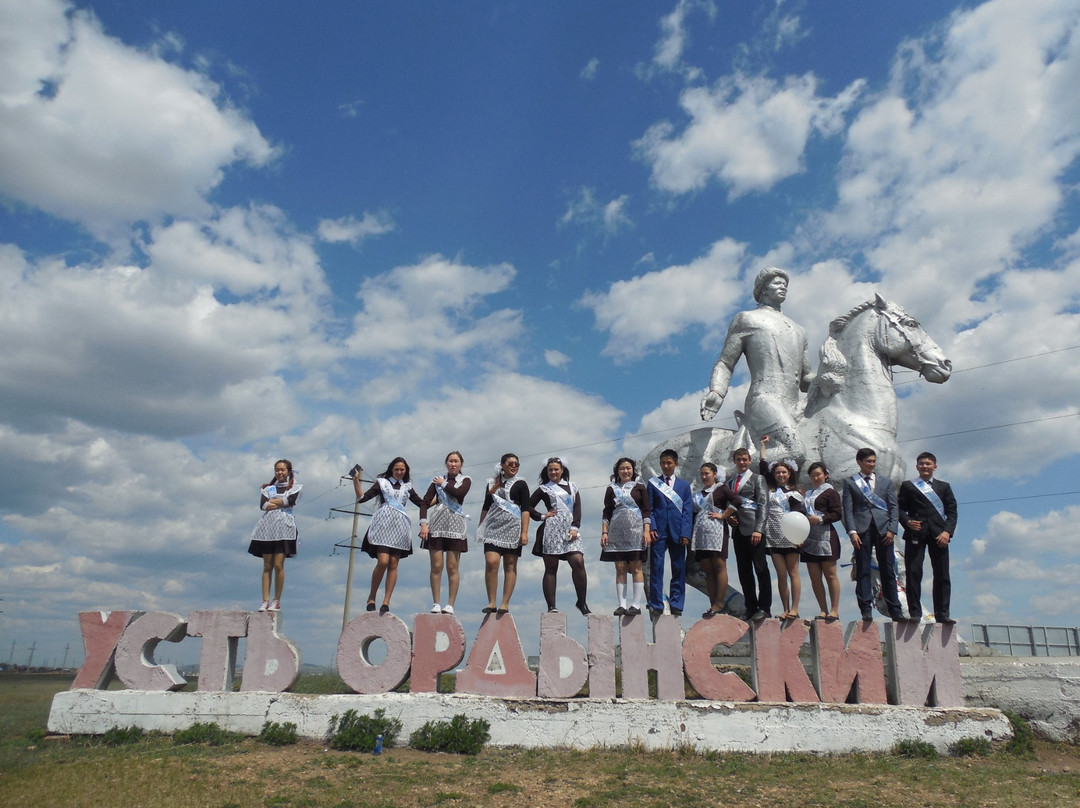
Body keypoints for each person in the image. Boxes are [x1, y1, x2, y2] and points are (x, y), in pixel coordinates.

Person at [700, 266, 814, 464]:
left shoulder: (799, 330)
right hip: (764, 399)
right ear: (762, 288)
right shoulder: (747, 319)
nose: (783, 286)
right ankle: (741, 465)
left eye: (785, 284)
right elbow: (726, 362)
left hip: (794, 403)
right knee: (796, 451)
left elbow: (805, 380)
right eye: (777, 282)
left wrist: (834, 377)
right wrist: (717, 392)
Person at [353, 457, 429, 614]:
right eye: (397, 469)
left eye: (402, 470)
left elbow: (421, 503)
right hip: (383, 525)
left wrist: (437, 494)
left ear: (406, 471)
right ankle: (372, 597)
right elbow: (362, 498)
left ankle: (386, 601)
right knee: (383, 561)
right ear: (391, 470)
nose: (399, 472)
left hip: (399, 527)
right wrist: (356, 481)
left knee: (394, 563)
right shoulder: (382, 482)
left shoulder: (407, 486)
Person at [842, 447, 905, 622]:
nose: (872, 464)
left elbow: (893, 506)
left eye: (873, 461)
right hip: (862, 530)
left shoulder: (885, 482)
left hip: (884, 529)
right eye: (868, 461)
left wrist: (892, 529)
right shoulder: (851, 483)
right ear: (859, 462)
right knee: (863, 569)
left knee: (888, 570)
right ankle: (865, 609)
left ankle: (895, 608)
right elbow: (847, 510)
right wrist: (852, 531)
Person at [898, 452, 958, 625]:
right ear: (917, 466)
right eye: (921, 464)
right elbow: (898, 509)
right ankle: (915, 612)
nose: (925, 466)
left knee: (942, 575)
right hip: (915, 534)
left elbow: (952, 512)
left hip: (939, 536)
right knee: (914, 573)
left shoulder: (944, 487)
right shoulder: (908, 486)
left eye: (928, 464)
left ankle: (942, 614)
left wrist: (947, 532)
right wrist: (908, 522)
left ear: (935, 466)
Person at [530, 457, 590, 615]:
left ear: (562, 470)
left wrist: (575, 526)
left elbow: (577, 508)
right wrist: (542, 516)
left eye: (556, 469)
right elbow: (527, 506)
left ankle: (582, 601)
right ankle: (551, 606)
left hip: (571, 530)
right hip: (551, 530)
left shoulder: (573, 486)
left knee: (578, 561)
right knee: (551, 568)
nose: (553, 472)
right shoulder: (544, 488)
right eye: (550, 470)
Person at [476, 453, 530, 615]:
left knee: (510, 564)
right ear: (502, 465)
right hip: (493, 527)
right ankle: (491, 602)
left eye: (516, 464)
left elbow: (525, 509)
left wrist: (525, 532)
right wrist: (481, 526)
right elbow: (486, 505)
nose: (514, 466)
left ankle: (504, 603)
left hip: (513, 528)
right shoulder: (492, 483)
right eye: (511, 463)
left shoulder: (521, 484)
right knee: (491, 561)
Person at [758, 436, 804, 620]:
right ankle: (785, 608)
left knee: (794, 573)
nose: (781, 475)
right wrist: (763, 446)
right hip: (774, 536)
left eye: (784, 472)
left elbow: (799, 517)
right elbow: (763, 466)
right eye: (778, 472)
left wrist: (800, 537)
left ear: (790, 474)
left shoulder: (794, 494)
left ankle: (794, 608)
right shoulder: (769, 490)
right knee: (781, 574)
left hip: (791, 537)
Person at [421, 451, 471, 615]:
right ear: (446, 463)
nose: (453, 464)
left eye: (456, 461)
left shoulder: (465, 480)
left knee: (452, 566)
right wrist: (423, 523)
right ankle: (436, 602)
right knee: (436, 566)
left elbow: (459, 494)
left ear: (461, 464)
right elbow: (425, 502)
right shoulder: (437, 481)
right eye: (450, 461)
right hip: (437, 524)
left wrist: (443, 484)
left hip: (455, 526)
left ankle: (450, 604)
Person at [248, 459, 301, 611]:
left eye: (282, 470)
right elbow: (263, 505)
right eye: (277, 470)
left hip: (284, 528)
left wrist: (276, 502)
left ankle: (276, 600)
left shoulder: (295, 487)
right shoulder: (268, 488)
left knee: (278, 565)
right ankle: (264, 600)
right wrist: (279, 502)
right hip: (267, 528)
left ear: (288, 471)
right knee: (267, 565)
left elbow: (289, 501)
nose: (279, 472)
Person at [600, 457, 651, 616]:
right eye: (622, 468)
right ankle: (622, 604)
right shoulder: (611, 488)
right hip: (616, 531)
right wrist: (604, 531)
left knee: (636, 567)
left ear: (633, 470)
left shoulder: (640, 487)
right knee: (620, 567)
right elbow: (607, 510)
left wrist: (647, 530)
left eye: (628, 468)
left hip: (636, 530)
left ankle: (636, 605)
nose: (625, 471)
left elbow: (646, 510)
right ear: (617, 471)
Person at [646, 449, 694, 617]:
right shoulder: (653, 483)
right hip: (658, 531)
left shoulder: (684, 486)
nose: (666, 466)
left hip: (678, 531)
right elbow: (649, 509)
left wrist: (686, 533)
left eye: (669, 463)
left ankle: (677, 604)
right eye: (663, 463)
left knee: (678, 567)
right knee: (656, 568)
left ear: (676, 464)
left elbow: (688, 511)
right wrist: (651, 527)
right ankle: (656, 603)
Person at [726, 446, 771, 620]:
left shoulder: (758, 479)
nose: (742, 462)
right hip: (738, 532)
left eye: (745, 459)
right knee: (744, 572)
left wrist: (759, 529)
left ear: (749, 461)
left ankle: (765, 607)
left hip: (754, 530)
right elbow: (729, 507)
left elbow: (763, 505)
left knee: (761, 569)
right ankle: (751, 607)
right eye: (739, 459)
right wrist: (730, 520)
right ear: (734, 461)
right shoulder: (730, 483)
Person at [692, 462, 741, 618]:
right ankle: (713, 603)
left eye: (707, 473)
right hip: (701, 535)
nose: (704, 476)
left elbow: (737, 501)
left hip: (717, 533)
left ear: (714, 474)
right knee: (708, 570)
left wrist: (724, 515)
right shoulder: (699, 494)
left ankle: (720, 602)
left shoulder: (721, 489)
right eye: (702, 474)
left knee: (719, 566)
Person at [800, 461, 843, 621]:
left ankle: (834, 610)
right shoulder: (808, 493)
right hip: (809, 537)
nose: (816, 478)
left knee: (830, 575)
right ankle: (823, 609)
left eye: (818, 474)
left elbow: (837, 514)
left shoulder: (830, 492)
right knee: (815, 577)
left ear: (825, 475)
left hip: (826, 536)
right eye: (812, 475)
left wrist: (819, 519)